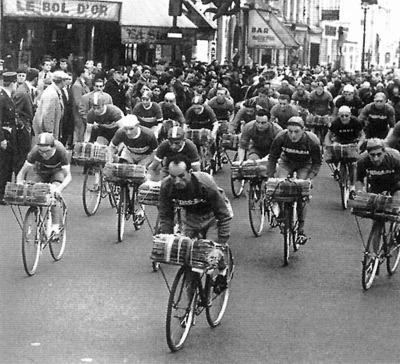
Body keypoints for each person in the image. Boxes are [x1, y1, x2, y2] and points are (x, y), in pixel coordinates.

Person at [158, 154, 233, 286]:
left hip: (212, 216)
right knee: (187, 254)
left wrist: (220, 241)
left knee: (210, 250)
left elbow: (223, 214)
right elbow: (165, 215)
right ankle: (189, 300)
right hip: (190, 217)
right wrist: (168, 239)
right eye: (172, 176)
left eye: (181, 176)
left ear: (190, 172)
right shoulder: (166, 186)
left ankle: (222, 270)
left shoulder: (205, 183)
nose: (176, 181)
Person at [266, 116, 322, 244]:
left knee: (301, 193)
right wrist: (270, 177)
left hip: (304, 165)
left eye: (296, 131)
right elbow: (273, 158)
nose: (293, 135)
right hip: (287, 162)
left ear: (303, 130)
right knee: (279, 187)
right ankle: (281, 213)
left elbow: (317, 163)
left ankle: (301, 231)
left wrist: (310, 179)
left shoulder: (312, 140)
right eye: (290, 131)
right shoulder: (281, 137)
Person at [16, 133, 72, 234]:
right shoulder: (34, 151)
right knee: (34, 193)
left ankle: (55, 228)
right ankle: (35, 221)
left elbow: (68, 176)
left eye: (47, 151)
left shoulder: (61, 150)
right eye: (41, 152)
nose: (44, 154)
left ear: (53, 147)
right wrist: (19, 183)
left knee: (53, 195)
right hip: (42, 171)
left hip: (57, 172)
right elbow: (22, 172)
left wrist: (59, 189)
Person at [327, 106, 363, 198]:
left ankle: (352, 188)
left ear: (350, 115)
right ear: (339, 115)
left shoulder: (356, 122)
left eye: (346, 115)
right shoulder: (335, 123)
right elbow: (328, 136)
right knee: (332, 152)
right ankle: (336, 169)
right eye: (342, 116)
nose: (344, 118)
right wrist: (329, 146)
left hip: (353, 141)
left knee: (353, 164)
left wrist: (358, 145)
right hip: (340, 141)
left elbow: (362, 135)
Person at [32, 70, 69, 141]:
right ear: (62, 81)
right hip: (47, 133)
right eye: (65, 80)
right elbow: (48, 115)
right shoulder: (51, 94)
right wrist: (49, 134)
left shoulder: (54, 91)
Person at [0, 72, 18, 205]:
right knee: (3, 166)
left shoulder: (7, 97)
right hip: (5, 136)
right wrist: (2, 139)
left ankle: (4, 192)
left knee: (8, 165)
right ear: (13, 83)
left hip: (10, 135)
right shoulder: (2, 98)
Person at [71, 65, 91, 143]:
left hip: (84, 113)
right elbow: (77, 102)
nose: (88, 74)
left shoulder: (84, 84)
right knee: (79, 135)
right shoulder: (77, 86)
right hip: (79, 115)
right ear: (82, 73)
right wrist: (84, 110)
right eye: (86, 72)